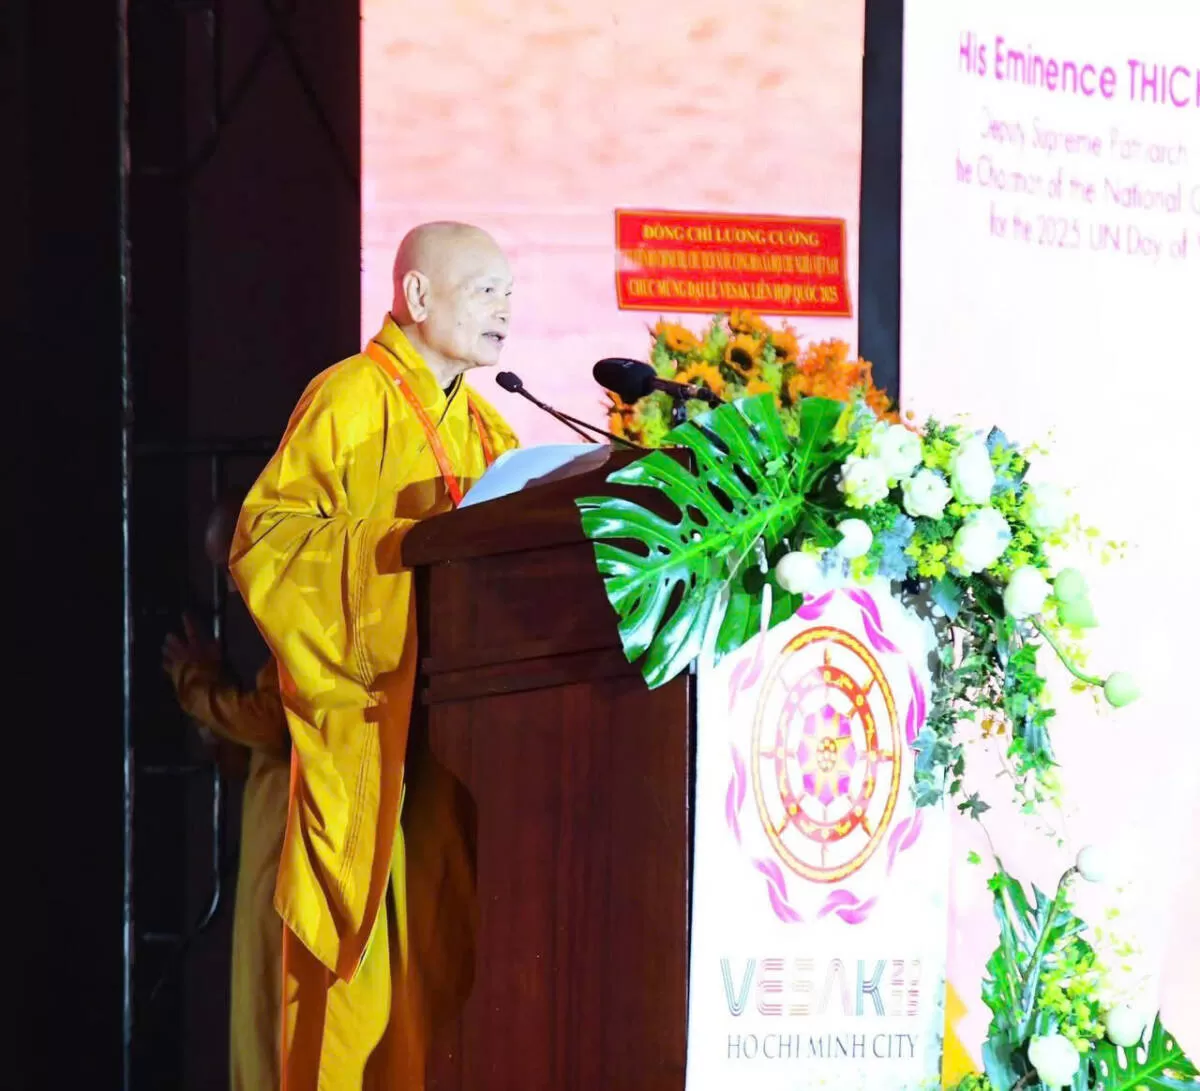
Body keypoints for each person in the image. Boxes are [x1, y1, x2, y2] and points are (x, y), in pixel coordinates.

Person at [230, 222, 520, 1089]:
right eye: (487, 290)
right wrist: (407, 555)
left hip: (458, 758)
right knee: (357, 1012)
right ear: (417, 295)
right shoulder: (347, 399)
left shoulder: (493, 431)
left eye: (510, 293)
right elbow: (267, 543)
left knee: (441, 1003)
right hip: (371, 746)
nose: (506, 310)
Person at [162, 495, 290, 1091]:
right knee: (258, 1026)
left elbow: (273, 725)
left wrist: (198, 689)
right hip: (269, 853)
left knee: (277, 1032)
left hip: (291, 861)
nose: (234, 589)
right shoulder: (275, 622)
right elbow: (257, 754)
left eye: (234, 563)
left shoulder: (304, 607)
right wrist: (214, 716)